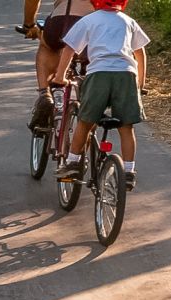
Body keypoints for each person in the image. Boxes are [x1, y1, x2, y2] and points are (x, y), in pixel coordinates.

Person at [52, 0, 148, 189]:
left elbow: (70, 48)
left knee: (86, 121)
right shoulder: (128, 21)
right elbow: (140, 53)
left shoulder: (89, 20)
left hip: (99, 74)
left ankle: (72, 162)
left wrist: (60, 76)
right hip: (126, 75)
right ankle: (129, 172)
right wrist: (140, 84)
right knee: (126, 127)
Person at [24, 0, 96, 131]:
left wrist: (29, 25)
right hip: (92, 22)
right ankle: (93, 98)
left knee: (48, 48)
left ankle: (45, 94)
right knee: (93, 56)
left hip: (59, 20)